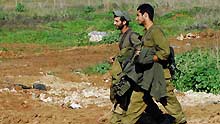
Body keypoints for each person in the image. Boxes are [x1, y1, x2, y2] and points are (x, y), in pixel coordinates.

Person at [109, 10, 169, 124]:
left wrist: (134, 60)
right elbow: (127, 52)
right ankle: (160, 118)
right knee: (142, 98)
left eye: (117, 21)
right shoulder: (123, 35)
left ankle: (118, 120)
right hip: (129, 71)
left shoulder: (132, 35)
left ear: (124, 22)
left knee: (127, 96)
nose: (114, 23)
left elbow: (140, 50)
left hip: (134, 72)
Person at [135, 3, 187, 124]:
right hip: (149, 74)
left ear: (145, 15)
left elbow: (165, 52)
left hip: (161, 74)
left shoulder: (155, 31)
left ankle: (180, 121)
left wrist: (149, 58)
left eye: (138, 15)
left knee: (167, 100)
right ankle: (159, 118)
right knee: (144, 96)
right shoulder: (147, 33)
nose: (137, 18)